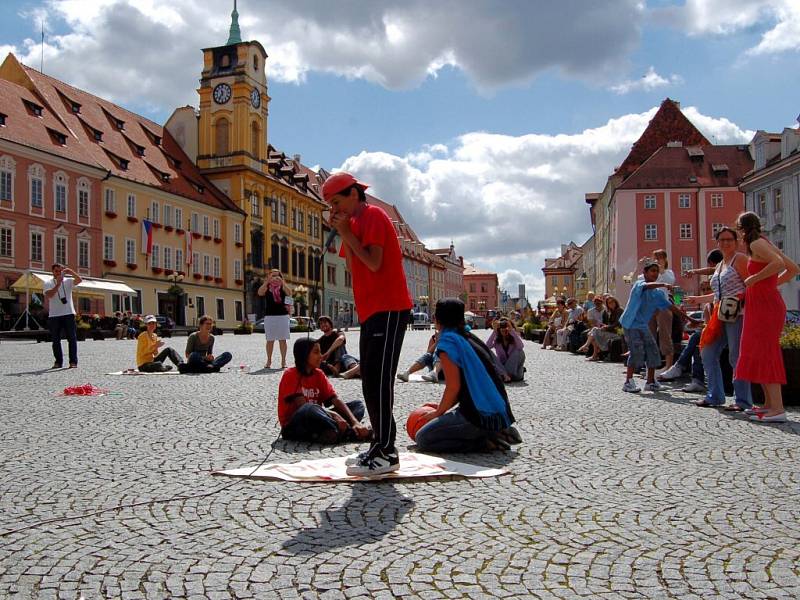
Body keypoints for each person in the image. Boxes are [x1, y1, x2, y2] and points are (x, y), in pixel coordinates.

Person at [323, 172, 413, 476]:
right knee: (369, 381)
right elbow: (352, 265)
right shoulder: (355, 223)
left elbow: (374, 262)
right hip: (372, 310)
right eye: (330, 205)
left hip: (389, 307)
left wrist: (347, 233)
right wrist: (346, 231)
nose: (335, 209)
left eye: (337, 202)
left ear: (353, 194)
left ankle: (387, 451)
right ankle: (378, 446)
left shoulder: (373, 215)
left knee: (379, 381)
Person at [414, 298, 520, 453]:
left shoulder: (448, 342)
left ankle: (485, 441)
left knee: (423, 438)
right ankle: (495, 430)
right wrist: (443, 410)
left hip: (478, 414)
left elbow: (454, 387)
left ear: (437, 319)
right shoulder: (469, 337)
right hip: (497, 410)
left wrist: (438, 413)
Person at [735, 212, 799, 422]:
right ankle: (769, 405)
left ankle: (778, 408)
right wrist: (768, 285)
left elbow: (779, 264)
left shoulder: (756, 245)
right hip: (764, 302)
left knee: (767, 352)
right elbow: (793, 269)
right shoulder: (764, 242)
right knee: (760, 351)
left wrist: (755, 279)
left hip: (765, 307)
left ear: (742, 229)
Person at [621, 260, 699, 393]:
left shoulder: (657, 293)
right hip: (631, 323)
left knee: (653, 351)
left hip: (642, 325)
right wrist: (663, 284)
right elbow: (646, 286)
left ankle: (650, 382)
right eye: (652, 271)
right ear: (644, 272)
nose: (655, 273)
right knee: (637, 351)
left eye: (657, 271)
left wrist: (689, 318)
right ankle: (628, 382)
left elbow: (671, 306)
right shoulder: (639, 284)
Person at [279, 338, 372, 444]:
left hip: (321, 420)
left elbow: (335, 399)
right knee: (310, 408)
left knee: (357, 405)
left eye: (320, 352)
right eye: (316, 352)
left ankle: (334, 432)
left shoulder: (318, 374)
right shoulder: (290, 374)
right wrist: (335, 415)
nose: (320, 356)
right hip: (296, 425)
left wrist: (355, 422)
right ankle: (350, 433)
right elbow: (303, 406)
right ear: (304, 355)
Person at [660, 248, 726, 395]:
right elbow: (709, 325)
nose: (705, 291)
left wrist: (695, 272)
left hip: (726, 327)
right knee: (698, 342)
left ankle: (680, 368)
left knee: (697, 337)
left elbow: (713, 269)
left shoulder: (726, 272)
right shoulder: (711, 304)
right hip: (715, 330)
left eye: (707, 289)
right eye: (704, 289)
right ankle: (696, 381)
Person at [43, 263, 82, 369]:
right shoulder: (48, 282)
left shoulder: (68, 281)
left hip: (68, 313)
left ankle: (73, 362)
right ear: (52, 271)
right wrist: (58, 284)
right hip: (54, 315)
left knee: (72, 339)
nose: (58, 273)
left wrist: (71, 272)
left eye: (60, 271)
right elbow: (49, 295)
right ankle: (58, 362)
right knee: (55, 340)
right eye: (56, 271)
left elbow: (80, 280)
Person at [257, 269, 292, 369]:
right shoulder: (267, 287)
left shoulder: (282, 287)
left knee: (282, 340)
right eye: (273, 276)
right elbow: (260, 293)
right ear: (269, 277)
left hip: (283, 316)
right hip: (270, 316)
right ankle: (268, 361)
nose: (275, 278)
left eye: (277, 275)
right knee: (270, 340)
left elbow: (289, 293)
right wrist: (267, 282)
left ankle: (283, 361)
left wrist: (283, 283)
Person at [649, 249, 676, 372]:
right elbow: (633, 281)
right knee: (650, 336)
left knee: (665, 335)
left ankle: (669, 365)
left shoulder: (668, 273)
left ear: (665, 259)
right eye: (655, 258)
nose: (657, 260)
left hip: (663, 306)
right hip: (650, 307)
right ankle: (652, 365)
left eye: (659, 257)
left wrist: (661, 269)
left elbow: (670, 282)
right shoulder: (651, 274)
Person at [579, 295, 623, 361]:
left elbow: (618, 324)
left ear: (616, 302)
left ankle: (588, 348)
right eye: (609, 303)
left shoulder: (619, 310)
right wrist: (604, 326)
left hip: (618, 332)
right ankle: (593, 354)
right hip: (611, 331)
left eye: (612, 302)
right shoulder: (608, 312)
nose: (611, 304)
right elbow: (608, 323)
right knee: (593, 332)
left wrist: (606, 327)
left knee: (592, 332)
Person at [486, 317, 525, 382]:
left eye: (506, 326)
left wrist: (511, 331)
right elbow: (487, 347)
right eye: (502, 326)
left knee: (519, 351)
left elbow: (521, 347)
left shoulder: (514, 336)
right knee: (488, 352)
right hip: (502, 366)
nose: (504, 329)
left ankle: (506, 375)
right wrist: (494, 331)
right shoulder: (496, 340)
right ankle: (505, 375)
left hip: (515, 372)